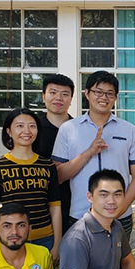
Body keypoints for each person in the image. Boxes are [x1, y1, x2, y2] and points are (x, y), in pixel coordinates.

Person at [51, 70, 135, 239]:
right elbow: (58, 175)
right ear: (87, 93)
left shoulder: (129, 130)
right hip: (81, 216)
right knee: (80, 264)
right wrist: (89, 152)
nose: (104, 97)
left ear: (115, 97)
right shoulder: (69, 129)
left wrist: (121, 209)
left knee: (119, 264)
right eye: (98, 92)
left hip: (119, 218)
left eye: (110, 93)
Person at [0, 108, 61, 260]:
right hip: (12, 239)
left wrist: (57, 244)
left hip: (45, 239)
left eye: (32, 126)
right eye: (20, 126)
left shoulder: (47, 166)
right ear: (9, 131)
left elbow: (55, 207)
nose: (27, 131)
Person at [37, 73, 75, 230]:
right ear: (44, 96)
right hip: (41, 204)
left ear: (71, 99)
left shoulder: (81, 128)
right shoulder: (32, 129)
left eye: (65, 94)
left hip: (74, 204)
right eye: (53, 92)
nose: (58, 98)